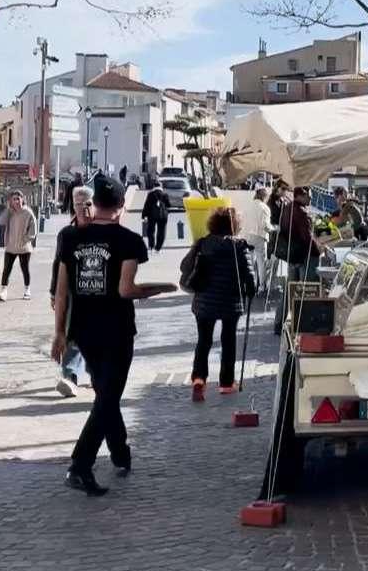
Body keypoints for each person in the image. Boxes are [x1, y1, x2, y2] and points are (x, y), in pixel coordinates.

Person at [51, 178, 175, 496]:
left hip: (82, 329)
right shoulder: (129, 240)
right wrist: (160, 288)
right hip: (117, 329)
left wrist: (59, 333)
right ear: (121, 206)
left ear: (95, 203)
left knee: (106, 393)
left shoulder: (70, 237)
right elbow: (126, 290)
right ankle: (80, 466)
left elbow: (62, 291)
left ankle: (120, 452)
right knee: (108, 398)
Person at [181, 206, 256, 400]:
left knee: (204, 341)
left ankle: (199, 378)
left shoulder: (203, 243)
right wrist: (251, 289)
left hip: (204, 300)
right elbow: (249, 275)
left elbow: (184, 266)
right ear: (235, 225)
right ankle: (226, 382)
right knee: (228, 341)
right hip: (231, 301)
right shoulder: (239, 246)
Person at [50, 184, 93, 396]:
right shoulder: (66, 234)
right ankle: (69, 377)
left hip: (97, 291)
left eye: (88, 204)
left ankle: (96, 374)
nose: (83, 209)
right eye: (78, 205)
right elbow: (57, 264)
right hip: (72, 292)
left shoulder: (102, 231)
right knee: (71, 334)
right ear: (73, 208)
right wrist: (53, 293)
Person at [272, 185, 320, 333]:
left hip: (292, 255)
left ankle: (279, 322)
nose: (311, 198)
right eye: (309, 195)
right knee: (308, 289)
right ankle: (304, 323)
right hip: (304, 256)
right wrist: (319, 249)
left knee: (289, 290)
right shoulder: (301, 212)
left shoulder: (287, 208)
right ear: (301, 195)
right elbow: (307, 238)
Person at [0, 190, 37, 300]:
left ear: (22, 199)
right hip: (11, 246)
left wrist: (26, 239)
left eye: (18, 198)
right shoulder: (10, 212)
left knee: (25, 269)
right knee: (6, 269)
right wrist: (8, 210)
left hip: (24, 247)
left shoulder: (28, 212)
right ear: (11, 201)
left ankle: (27, 290)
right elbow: (0, 222)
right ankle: (3, 292)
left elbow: (33, 230)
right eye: (14, 199)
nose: (17, 201)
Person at [141, 182, 172, 251]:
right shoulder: (165, 194)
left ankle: (151, 246)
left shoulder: (151, 194)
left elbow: (146, 206)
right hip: (163, 216)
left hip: (152, 215)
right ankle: (158, 248)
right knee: (161, 231)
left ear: (154, 187)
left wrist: (144, 215)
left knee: (151, 231)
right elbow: (169, 205)